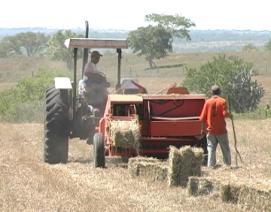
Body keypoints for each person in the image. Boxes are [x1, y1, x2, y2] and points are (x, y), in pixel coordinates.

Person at [200, 85, 232, 168]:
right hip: (221, 131)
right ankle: (227, 165)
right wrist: (230, 115)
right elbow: (225, 114)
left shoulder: (207, 102)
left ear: (211, 92)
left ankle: (211, 165)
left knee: (211, 149)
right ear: (220, 92)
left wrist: (203, 129)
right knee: (225, 148)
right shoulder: (223, 101)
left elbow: (202, 118)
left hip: (210, 131)